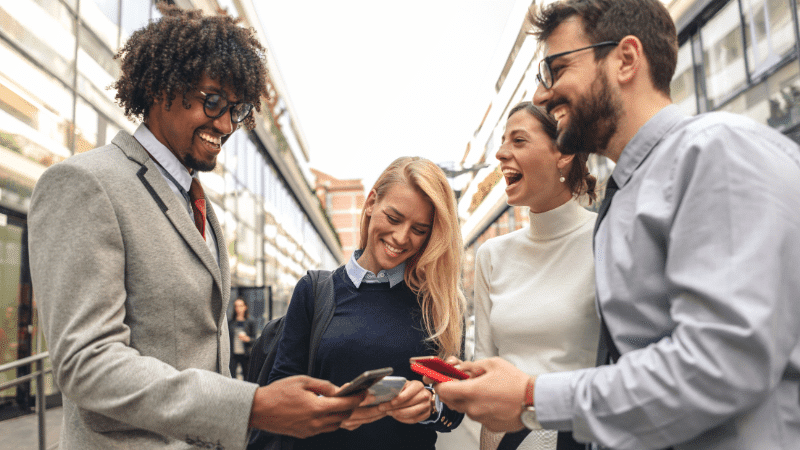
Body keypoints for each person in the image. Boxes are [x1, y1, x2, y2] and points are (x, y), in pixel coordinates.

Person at [434, 1, 800, 449]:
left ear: (626, 59)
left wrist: (533, 396)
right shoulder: (627, 193)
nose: (545, 95)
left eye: (558, 68)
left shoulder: (713, 153)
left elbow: (721, 365)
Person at [27, 6, 362, 449]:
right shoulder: (86, 184)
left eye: (235, 111)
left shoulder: (200, 204)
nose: (225, 125)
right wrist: (252, 406)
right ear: (159, 86)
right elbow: (88, 363)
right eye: (213, 102)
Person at [268, 156, 466, 450]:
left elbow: (454, 409)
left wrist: (431, 405)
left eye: (419, 229)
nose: (401, 238)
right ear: (371, 203)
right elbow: (277, 394)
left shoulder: (439, 302)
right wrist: (331, 408)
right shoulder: (315, 291)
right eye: (394, 218)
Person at [474, 102, 597, 450]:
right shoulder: (491, 256)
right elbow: (486, 367)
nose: (500, 153)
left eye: (519, 141)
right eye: (502, 141)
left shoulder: (606, 240)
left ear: (563, 154)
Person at [229, 297, 257, 379]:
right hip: (233, 354)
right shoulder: (231, 322)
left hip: (246, 354)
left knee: (247, 377)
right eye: (236, 306)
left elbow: (255, 339)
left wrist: (247, 339)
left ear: (245, 307)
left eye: (240, 306)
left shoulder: (250, 322)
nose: (238, 308)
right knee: (232, 377)